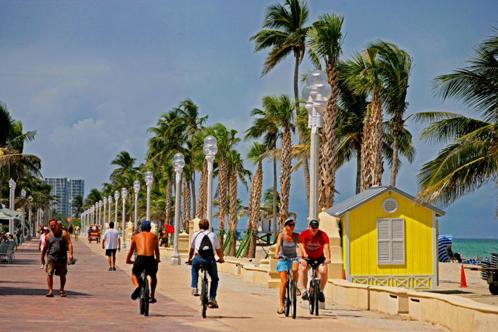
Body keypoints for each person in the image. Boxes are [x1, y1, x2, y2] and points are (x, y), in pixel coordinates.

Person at [187, 218, 224, 309]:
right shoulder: (213, 235)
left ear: (199, 226)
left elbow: (191, 250)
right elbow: (218, 250)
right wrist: (221, 259)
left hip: (198, 258)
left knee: (194, 268)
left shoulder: (195, 235)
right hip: (210, 260)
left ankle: (194, 287)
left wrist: (189, 259)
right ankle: (212, 298)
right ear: (208, 226)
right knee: (215, 279)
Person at [274, 217, 305, 315]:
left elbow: (300, 245)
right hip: (283, 259)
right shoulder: (281, 235)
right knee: (284, 281)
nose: (292, 227)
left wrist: (304, 254)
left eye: (293, 225)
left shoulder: (296, 235)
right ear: (286, 226)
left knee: (295, 270)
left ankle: (294, 286)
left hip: (293, 258)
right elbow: (278, 245)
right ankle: (281, 304)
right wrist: (276, 254)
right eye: (290, 225)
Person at [126, 220, 160, 304]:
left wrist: (128, 260)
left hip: (140, 258)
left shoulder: (136, 236)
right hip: (150, 259)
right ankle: (152, 296)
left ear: (141, 228)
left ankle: (137, 287)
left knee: (134, 274)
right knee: (153, 276)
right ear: (150, 228)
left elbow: (131, 250)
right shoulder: (154, 236)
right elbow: (157, 250)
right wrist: (158, 259)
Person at [299, 219, 331, 303]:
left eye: (316, 228)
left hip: (319, 258)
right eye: (312, 228)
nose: (314, 230)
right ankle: (304, 290)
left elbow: (326, 247)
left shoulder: (323, 235)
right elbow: (301, 245)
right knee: (303, 268)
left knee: (324, 271)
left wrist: (328, 258)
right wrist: (303, 256)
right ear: (309, 227)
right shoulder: (304, 234)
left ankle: (320, 291)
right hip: (308, 258)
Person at [41, 219, 73, 297]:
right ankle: (50, 291)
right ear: (49, 226)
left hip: (62, 257)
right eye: (51, 225)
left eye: (54, 225)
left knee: (62, 275)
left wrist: (70, 254)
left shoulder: (64, 234)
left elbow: (69, 244)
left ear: (57, 225)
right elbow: (45, 247)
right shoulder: (48, 236)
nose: (53, 227)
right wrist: (42, 257)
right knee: (49, 274)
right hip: (51, 257)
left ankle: (62, 290)